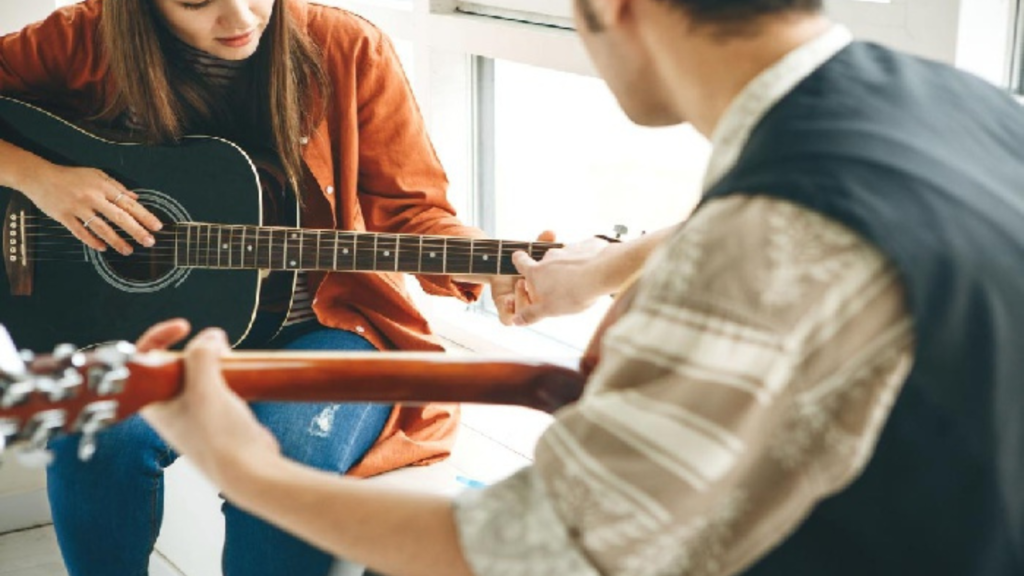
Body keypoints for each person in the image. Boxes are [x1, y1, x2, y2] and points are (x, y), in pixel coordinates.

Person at [141, 0, 1024, 574]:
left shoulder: (765, 241)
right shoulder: (952, 103)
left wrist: (238, 462)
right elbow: (815, 212)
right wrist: (607, 267)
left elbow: (534, 550)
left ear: (611, 8)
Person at [0, 1, 521, 575]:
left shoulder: (347, 48)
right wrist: (38, 178)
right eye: (199, 2)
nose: (240, 17)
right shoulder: (81, 39)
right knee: (90, 430)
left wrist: (490, 262)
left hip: (325, 327)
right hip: (152, 328)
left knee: (283, 467)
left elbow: (414, 211)